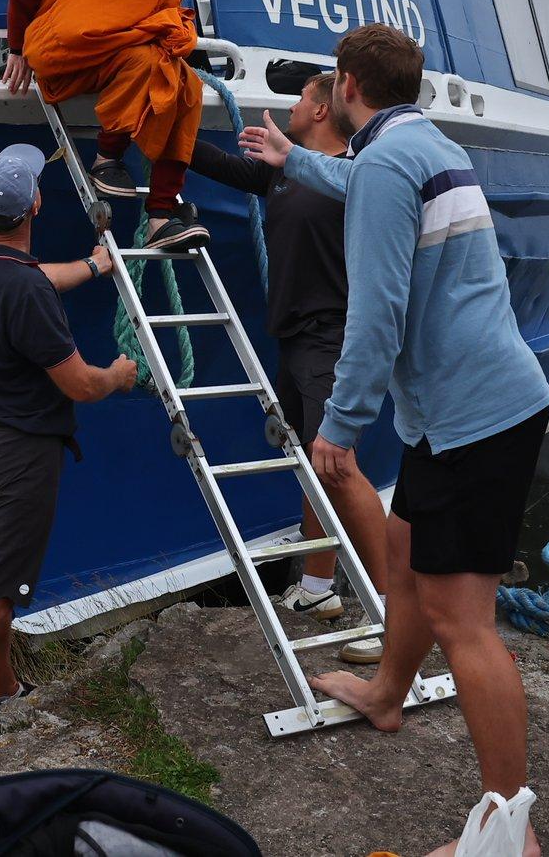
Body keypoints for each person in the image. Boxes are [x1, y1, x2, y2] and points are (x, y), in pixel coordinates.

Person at [239, 23, 549, 857]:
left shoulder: (384, 162)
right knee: (407, 559)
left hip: (472, 420)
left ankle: (508, 830)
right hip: (463, 410)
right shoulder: (423, 145)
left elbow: (375, 314)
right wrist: (292, 159)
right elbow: (362, 183)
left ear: (345, 84)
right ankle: (386, 691)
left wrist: (338, 428)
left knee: (464, 620)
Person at [0, 144, 137, 793]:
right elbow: (81, 385)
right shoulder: (26, 291)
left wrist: (94, 266)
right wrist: (119, 375)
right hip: (24, 456)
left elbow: (36, 276)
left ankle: (6, 685)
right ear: (36, 204)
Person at [187, 69, 384, 663]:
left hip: (334, 340)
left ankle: (390, 608)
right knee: (308, 459)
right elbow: (217, 165)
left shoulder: (353, 180)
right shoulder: (283, 173)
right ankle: (319, 588)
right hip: (295, 338)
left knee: (340, 465)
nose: (291, 107)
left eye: (300, 99)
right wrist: (160, 129)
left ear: (323, 111)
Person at [1, 0, 207, 253]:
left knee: (184, 84)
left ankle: (161, 214)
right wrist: (17, 45)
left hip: (133, 42)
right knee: (148, 63)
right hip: (73, 46)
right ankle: (106, 159)